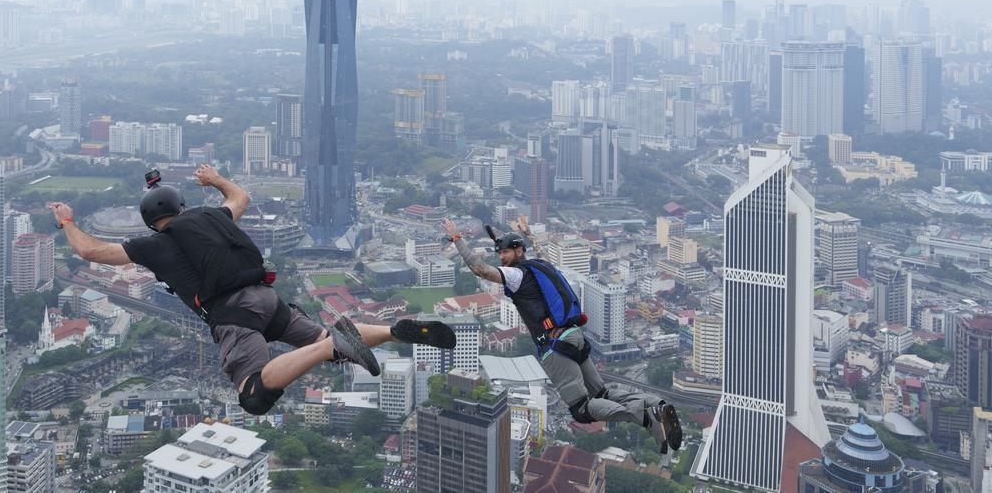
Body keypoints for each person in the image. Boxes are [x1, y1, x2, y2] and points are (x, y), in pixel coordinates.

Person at [48, 163, 456, 416]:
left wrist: (67, 220)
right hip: (267, 298)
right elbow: (241, 195)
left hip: (233, 314)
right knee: (319, 338)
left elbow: (91, 250)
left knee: (256, 395)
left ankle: (334, 345)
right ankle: (392, 331)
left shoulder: (153, 245)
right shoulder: (214, 216)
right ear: (182, 207)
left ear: (150, 220)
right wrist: (213, 179)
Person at [441, 216, 683, 454]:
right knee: (601, 393)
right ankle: (656, 403)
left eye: (505, 253)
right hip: (574, 335)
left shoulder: (517, 275)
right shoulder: (542, 266)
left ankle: (646, 417)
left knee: (581, 408)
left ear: (518, 251)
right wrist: (526, 234)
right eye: (500, 253)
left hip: (554, 345)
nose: (501, 258)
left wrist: (457, 237)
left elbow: (479, 268)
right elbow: (541, 252)